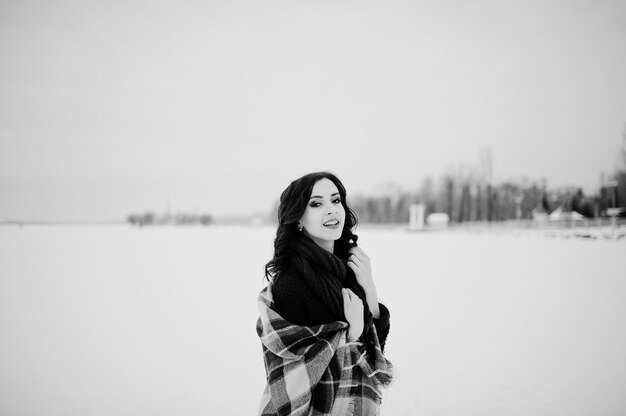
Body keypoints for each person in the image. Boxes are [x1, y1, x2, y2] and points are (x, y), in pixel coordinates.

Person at [256, 172, 393, 416]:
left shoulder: (349, 271)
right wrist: (351, 334)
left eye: (336, 200)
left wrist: (369, 289)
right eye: (317, 204)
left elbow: (375, 357)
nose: (331, 210)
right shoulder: (290, 283)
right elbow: (300, 380)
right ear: (298, 218)